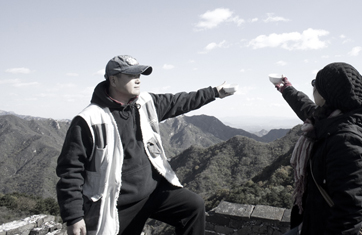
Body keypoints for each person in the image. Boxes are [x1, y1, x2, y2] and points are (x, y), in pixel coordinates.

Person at [56, 55, 235, 235]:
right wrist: (74, 216)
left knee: (193, 207)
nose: (138, 80)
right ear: (113, 79)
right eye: (131, 75)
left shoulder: (145, 103)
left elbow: (179, 101)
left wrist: (214, 92)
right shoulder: (89, 120)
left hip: (154, 192)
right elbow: (70, 171)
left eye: (140, 75)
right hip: (118, 204)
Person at [274, 62, 362, 235]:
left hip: (325, 226)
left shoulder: (346, 143)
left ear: (326, 96)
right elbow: (307, 108)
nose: (313, 88)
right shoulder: (341, 119)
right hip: (315, 219)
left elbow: (349, 214)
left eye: (315, 84)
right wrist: (287, 89)